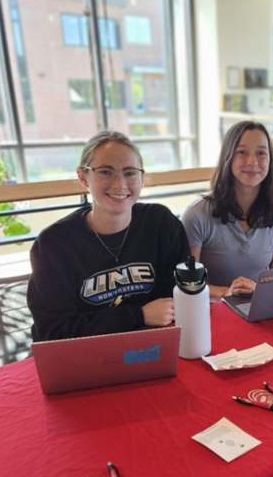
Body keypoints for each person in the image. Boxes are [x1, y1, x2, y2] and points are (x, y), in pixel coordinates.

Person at [27, 131, 190, 342]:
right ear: (83, 177)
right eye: (105, 172)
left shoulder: (161, 223)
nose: (119, 184)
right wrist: (138, 316)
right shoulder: (53, 245)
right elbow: (56, 331)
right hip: (84, 358)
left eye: (130, 173)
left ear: (141, 177)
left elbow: (180, 297)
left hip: (153, 345)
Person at [180, 121, 273, 301]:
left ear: (270, 160)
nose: (252, 161)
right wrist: (227, 292)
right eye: (242, 152)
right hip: (213, 313)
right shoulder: (196, 215)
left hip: (258, 310)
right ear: (228, 157)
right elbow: (188, 285)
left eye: (261, 153)